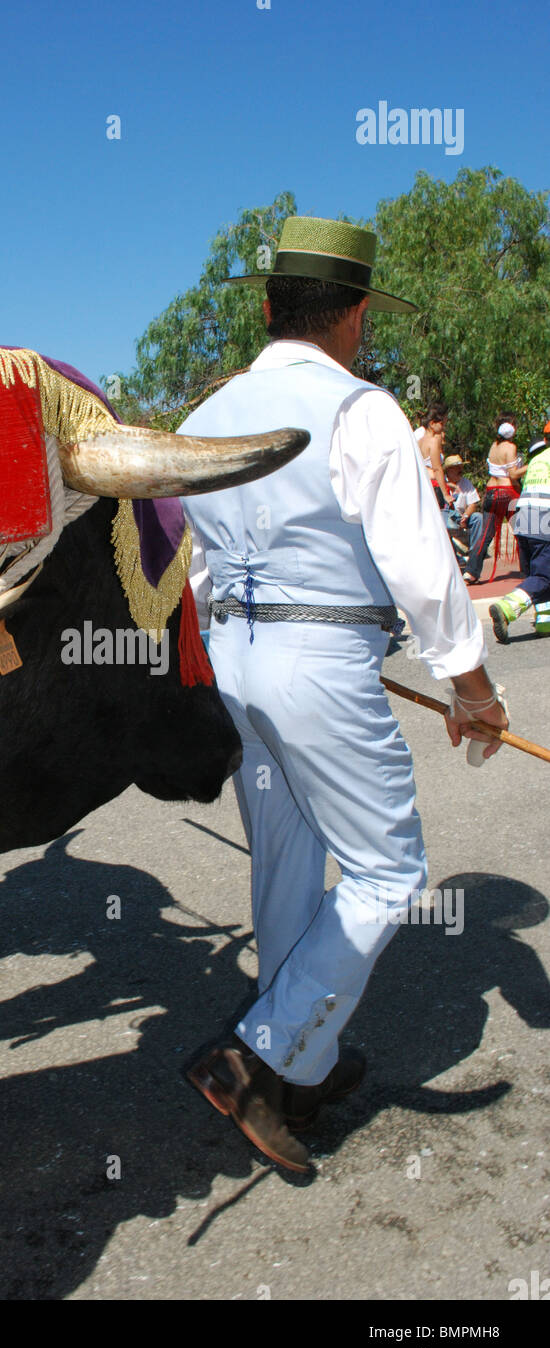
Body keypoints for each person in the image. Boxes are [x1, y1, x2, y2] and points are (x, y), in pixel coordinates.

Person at [179, 215, 508, 1173]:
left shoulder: (204, 415)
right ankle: (255, 1057)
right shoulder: (361, 411)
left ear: (273, 306)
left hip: (237, 660)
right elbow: (422, 569)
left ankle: (304, 1064)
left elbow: (197, 568)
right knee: (389, 870)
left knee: (289, 859)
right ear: (355, 316)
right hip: (321, 667)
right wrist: (474, 690)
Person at [489, 434, 550, 641]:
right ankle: (507, 608)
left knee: (536, 574)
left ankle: (545, 624)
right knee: (544, 576)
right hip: (543, 520)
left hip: (524, 520)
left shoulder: (538, 459)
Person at [442, 454, 486, 582]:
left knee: (478, 517)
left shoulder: (465, 482)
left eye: (461, 466)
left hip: (461, 518)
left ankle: (474, 556)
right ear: (448, 470)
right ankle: (453, 559)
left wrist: (466, 516)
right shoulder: (441, 482)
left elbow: (473, 503)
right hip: (446, 518)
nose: (460, 469)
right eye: (456, 467)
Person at [414, 405, 452, 507]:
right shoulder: (433, 441)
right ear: (432, 423)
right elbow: (437, 468)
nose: (443, 427)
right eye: (442, 424)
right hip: (435, 486)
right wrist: (445, 494)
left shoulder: (418, 441)